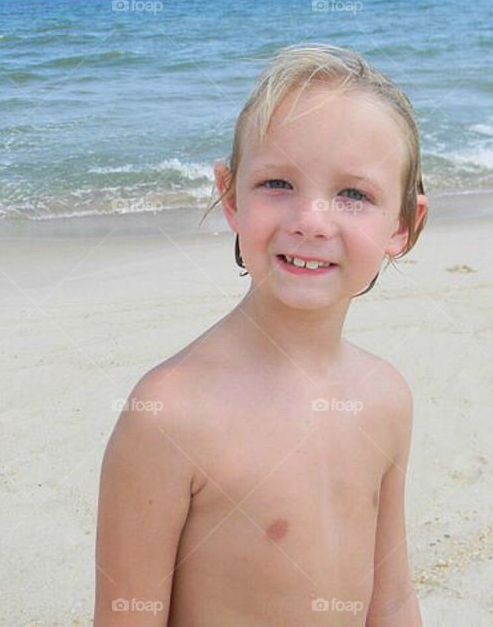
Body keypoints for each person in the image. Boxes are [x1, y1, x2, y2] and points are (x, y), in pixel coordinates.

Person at [94, 43, 429, 625]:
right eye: (278, 183)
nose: (310, 221)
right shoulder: (169, 416)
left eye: (353, 194)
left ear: (402, 225)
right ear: (230, 195)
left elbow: (392, 599)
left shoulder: (386, 396)